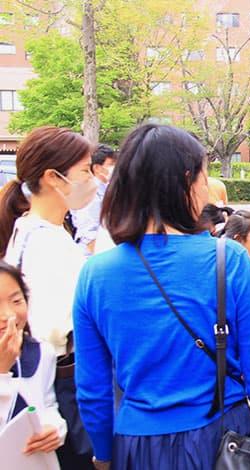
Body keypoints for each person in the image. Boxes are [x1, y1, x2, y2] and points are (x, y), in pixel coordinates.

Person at [73, 124, 250, 469]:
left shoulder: (94, 274)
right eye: (205, 175)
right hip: (221, 441)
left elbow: (93, 387)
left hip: (137, 443)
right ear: (187, 179)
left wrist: (103, 453)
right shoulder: (228, 259)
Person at [0, 126, 96, 469]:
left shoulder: (35, 231)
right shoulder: (45, 244)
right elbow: (42, 340)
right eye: (85, 171)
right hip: (60, 392)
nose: (93, 180)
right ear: (54, 178)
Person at [0, 261, 67, 457]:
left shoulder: (40, 352)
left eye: (16, 301)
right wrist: (2, 371)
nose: (9, 315)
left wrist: (55, 429)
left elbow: (47, 404)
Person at [70, 144, 117, 256]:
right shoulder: (91, 193)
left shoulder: (107, 189)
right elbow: (89, 233)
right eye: (111, 164)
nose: (115, 168)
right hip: (93, 255)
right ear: (97, 168)